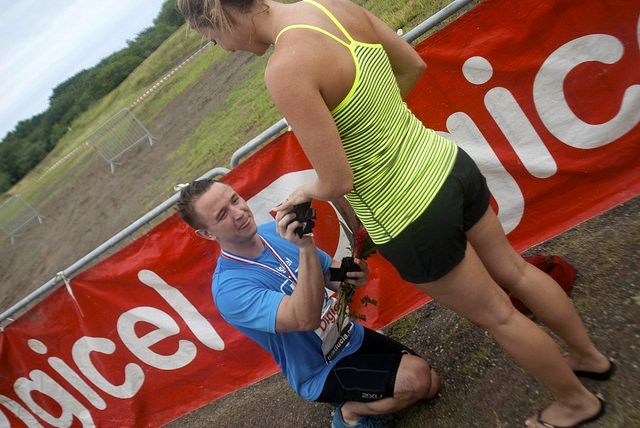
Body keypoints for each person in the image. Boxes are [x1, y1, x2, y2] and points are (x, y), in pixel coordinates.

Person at [175, 1, 613, 426]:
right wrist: (379, 123)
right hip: (446, 163)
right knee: (515, 271)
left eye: (214, 38)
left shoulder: (285, 67)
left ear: (217, 14)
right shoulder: (331, 7)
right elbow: (413, 67)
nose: (226, 48)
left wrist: (300, 194)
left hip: (407, 212)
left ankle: (575, 403)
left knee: (499, 314)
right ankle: (590, 358)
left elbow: (336, 180)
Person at [176, 178, 440, 428]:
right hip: (320, 370)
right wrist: (305, 248)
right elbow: (305, 318)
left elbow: (332, 276)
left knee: (431, 384)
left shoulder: (274, 232)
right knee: (417, 380)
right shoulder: (230, 289)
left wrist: (353, 274)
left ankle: (364, 394)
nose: (238, 213)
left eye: (235, 199)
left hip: (350, 337)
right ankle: (349, 412)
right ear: (207, 233)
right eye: (222, 215)